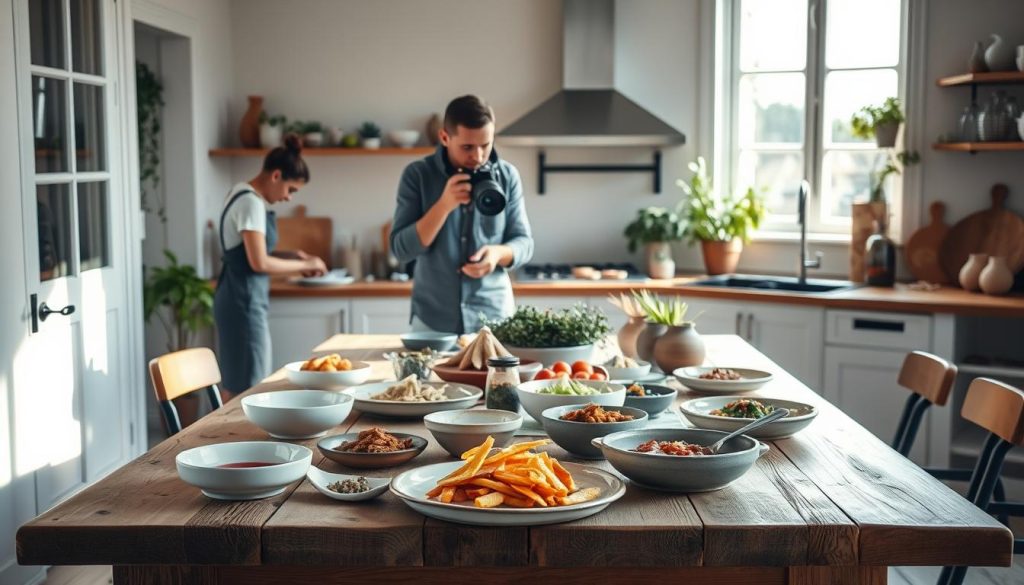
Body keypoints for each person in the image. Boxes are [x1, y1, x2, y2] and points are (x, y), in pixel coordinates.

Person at [390, 95, 534, 334]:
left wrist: (497, 254)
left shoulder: (508, 176)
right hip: (432, 321)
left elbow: (525, 243)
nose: (477, 156)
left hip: (495, 319)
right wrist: (444, 206)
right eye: (467, 147)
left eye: (485, 145)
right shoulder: (418, 175)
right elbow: (401, 250)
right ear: (445, 137)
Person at [214, 134, 327, 397]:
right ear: (276, 176)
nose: (289, 198)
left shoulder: (239, 192)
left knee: (238, 380)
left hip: (236, 296)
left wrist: (293, 256)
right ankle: (240, 437)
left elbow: (248, 252)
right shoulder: (250, 203)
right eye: (291, 189)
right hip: (243, 301)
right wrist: (304, 266)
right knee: (249, 387)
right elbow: (259, 261)